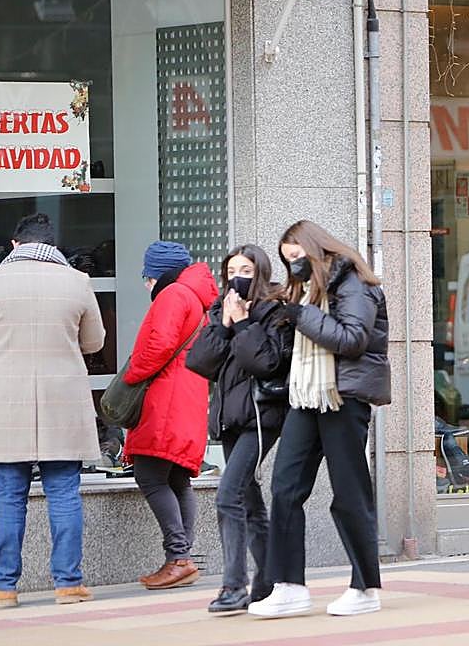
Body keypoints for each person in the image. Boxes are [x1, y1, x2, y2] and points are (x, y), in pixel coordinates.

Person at [248, 220, 390, 619]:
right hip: (308, 395)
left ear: (316, 250)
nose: (293, 266)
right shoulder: (308, 289)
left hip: (344, 395)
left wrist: (300, 315)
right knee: (285, 485)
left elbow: (352, 339)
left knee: (349, 493)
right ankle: (289, 585)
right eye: (287, 260)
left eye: (297, 257)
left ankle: (365, 587)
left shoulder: (353, 282)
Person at [0, 213, 105, 608]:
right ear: (52, 245)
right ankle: (68, 584)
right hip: (63, 402)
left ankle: (3, 587)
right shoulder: (78, 281)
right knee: (64, 492)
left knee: (9, 496)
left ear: (15, 244)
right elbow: (94, 342)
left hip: (6, 404)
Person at [186, 244, 292, 613]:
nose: (237, 278)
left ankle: (234, 585)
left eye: (246, 271)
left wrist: (245, 323)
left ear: (260, 273)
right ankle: (269, 581)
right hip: (231, 417)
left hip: (262, 417)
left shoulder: (274, 311)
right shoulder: (221, 309)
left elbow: (266, 363)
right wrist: (225, 325)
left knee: (227, 495)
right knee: (249, 501)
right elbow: (200, 362)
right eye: (231, 272)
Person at [124, 240, 218, 588]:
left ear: (158, 274)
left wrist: (132, 375)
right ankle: (181, 558)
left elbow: (159, 344)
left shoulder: (174, 294)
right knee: (177, 478)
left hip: (167, 398)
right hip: (187, 396)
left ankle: (178, 557)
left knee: (150, 475)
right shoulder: (195, 296)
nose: (146, 284)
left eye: (147, 276)